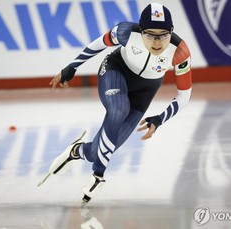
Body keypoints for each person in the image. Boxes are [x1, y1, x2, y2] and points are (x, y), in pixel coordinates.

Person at [45, 3, 192, 204]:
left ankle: (76, 151)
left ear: (171, 33)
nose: (157, 42)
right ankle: (98, 176)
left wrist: (159, 119)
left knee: (100, 150)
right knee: (118, 109)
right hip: (116, 71)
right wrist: (73, 66)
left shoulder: (180, 52)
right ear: (140, 32)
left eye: (163, 35)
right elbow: (99, 43)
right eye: (150, 35)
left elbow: (184, 95)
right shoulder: (125, 32)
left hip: (145, 90)